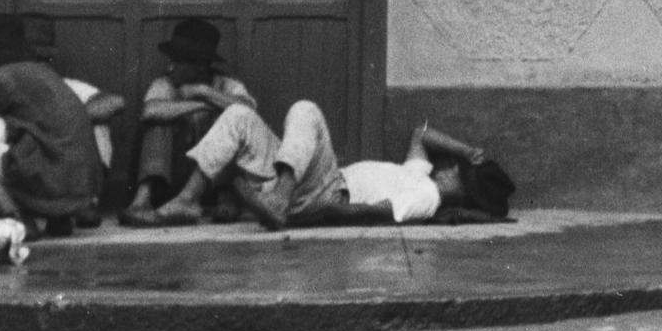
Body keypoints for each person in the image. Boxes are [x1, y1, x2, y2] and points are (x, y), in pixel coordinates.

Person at [139, 94, 511, 231]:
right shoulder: (422, 176)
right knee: (239, 116)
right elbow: (421, 133)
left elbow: (376, 213)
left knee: (306, 110)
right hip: (305, 181)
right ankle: (187, 199)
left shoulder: (427, 198)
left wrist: (317, 213)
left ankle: (279, 200)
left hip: (326, 192)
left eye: (458, 171)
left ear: (462, 188)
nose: (451, 166)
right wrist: (467, 151)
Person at [0, 12, 110, 239]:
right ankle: (58, 218)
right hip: (80, 188)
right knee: (10, 133)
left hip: (56, 181)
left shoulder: (2, 79)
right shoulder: (41, 73)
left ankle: (17, 219)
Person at [121, 17, 252, 214]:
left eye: (178, 61)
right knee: (157, 123)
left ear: (201, 65)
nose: (171, 67)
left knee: (230, 118)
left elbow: (248, 111)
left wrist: (203, 91)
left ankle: (225, 200)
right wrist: (202, 105)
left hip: (213, 182)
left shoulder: (227, 85)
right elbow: (150, 111)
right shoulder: (165, 84)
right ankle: (142, 201)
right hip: (171, 180)